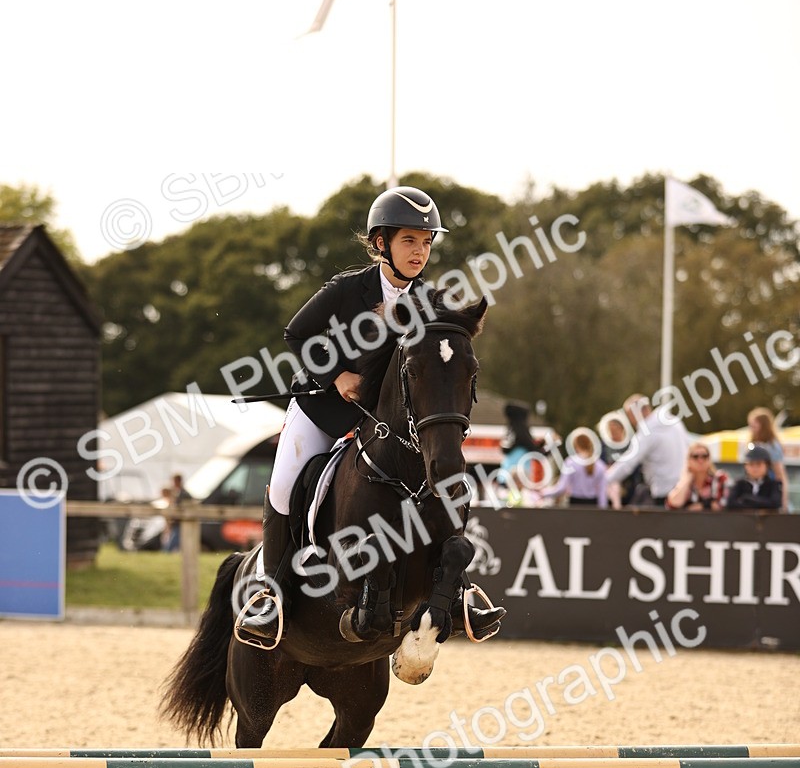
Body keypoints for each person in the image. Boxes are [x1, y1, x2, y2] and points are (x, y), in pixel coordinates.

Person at [236, 185, 505, 647]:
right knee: (283, 483)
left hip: (386, 423)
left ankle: (459, 592)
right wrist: (338, 373)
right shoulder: (346, 291)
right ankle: (270, 595)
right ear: (381, 243)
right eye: (409, 240)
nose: (419, 251)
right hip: (325, 407)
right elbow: (297, 333)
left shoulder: (431, 300)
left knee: (441, 480)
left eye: (426, 242)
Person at [605, 393, 689, 507]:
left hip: (663, 492)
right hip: (684, 489)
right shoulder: (675, 422)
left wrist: (603, 479)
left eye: (630, 416)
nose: (631, 421)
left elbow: (628, 463)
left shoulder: (646, 433)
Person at [533, 429, 608, 507]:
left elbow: (561, 489)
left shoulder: (571, 462)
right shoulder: (600, 465)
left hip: (575, 504)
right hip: (593, 505)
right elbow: (602, 493)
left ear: (575, 444)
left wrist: (543, 493)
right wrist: (603, 512)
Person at [747, 407, 788, 510]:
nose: (751, 429)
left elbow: (780, 474)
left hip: (769, 490)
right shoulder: (754, 444)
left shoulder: (772, 446)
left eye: (754, 425)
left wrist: (783, 502)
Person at [666, 444, 729, 511]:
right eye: (695, 457)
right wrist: (687, 479)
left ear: (709, 459)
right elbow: (672, 505)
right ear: (688, 460)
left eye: (704, 456)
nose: (700, 460)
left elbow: (723, 505)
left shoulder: (719, 478)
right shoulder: (683, 481)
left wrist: (702, 506)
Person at [725, 445, 783, 510]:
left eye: (759, 464)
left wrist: (747, 499)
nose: (755, 468)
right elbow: (730, 503)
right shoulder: (739, 484)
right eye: (751, 464)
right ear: (745, 466)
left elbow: (775, 503)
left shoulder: (774, 485)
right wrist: (761, 503)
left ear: (767, 466)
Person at [162, 473, 192, 552]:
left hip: (180, 523)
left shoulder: (184, 494)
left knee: (170, 546)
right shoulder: (177, 493)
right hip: (176, 523)